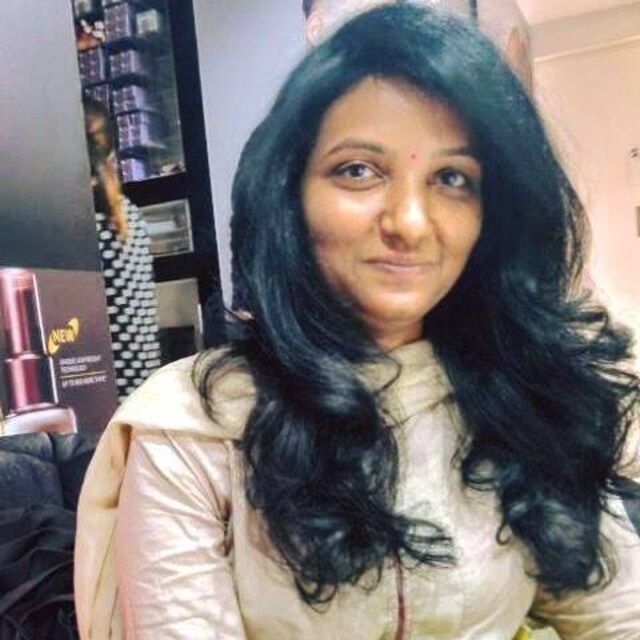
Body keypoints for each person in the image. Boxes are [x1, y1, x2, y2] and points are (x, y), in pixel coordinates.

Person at [75, 4, 640, 639]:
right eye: (359, 170)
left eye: (452, 177)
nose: (410, 223)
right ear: (289, 194)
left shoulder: (524, 394)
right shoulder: (193, 426)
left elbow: (615, 613)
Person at [83, 98, 162, 402]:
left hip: (103, 392)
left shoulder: (79, 219)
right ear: (113, 151)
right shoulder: (127, 213)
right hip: (142, 391)